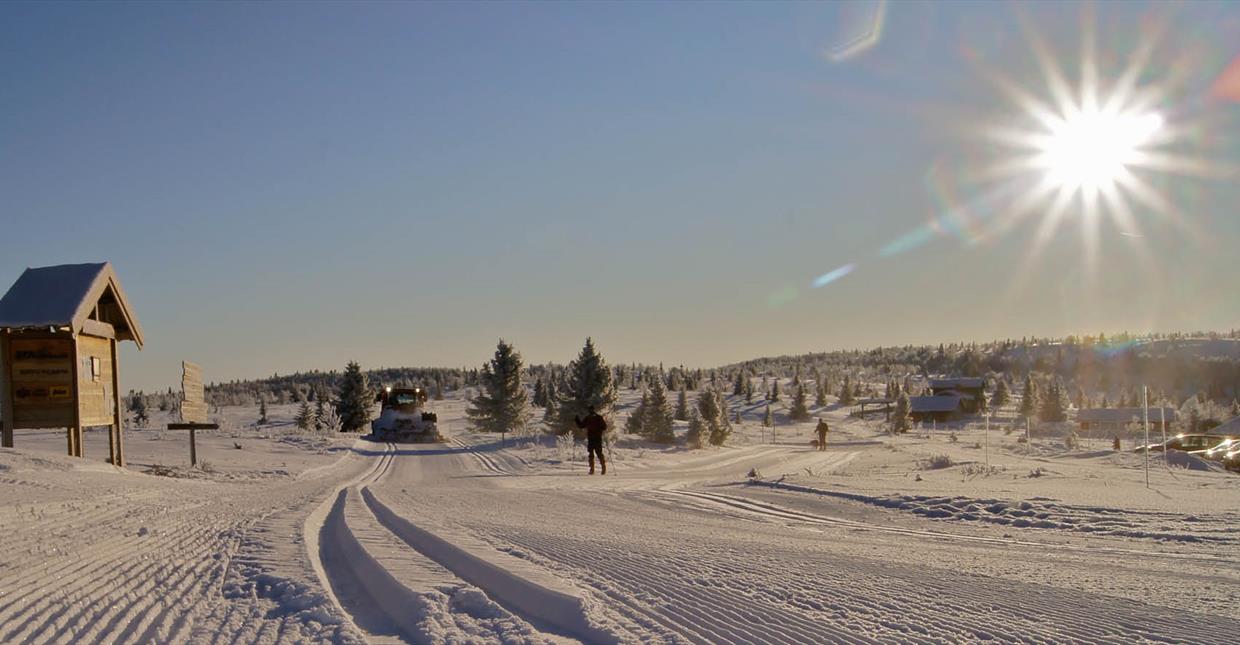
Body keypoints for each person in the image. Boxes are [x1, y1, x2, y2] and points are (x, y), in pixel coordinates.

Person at [575, 406, 608, 475]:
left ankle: (593, 470)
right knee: (598, 453)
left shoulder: (588, 418)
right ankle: (602, 468)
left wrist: (577, 420)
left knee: (591, 454)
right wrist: (600, 429)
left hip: (592, 438)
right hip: (597, 438)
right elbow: (604, 427)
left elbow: (581, 426)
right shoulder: (598, 417)